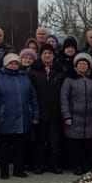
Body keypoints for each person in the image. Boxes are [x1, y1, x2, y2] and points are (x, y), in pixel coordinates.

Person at [0, 53, 39, 180]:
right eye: (11, 63)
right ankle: (4, 171)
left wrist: (35, 114)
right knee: (3, 146)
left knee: (20, 146)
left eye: (16, 63)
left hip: (23, 117)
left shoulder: (24, 77)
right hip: (4, 117)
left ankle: (19, 169)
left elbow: (33, 97)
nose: (14, 65)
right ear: (5, 63)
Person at [61, 53, 92, 175]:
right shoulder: (69, 79)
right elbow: (64, 98)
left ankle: (88, 166)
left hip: (90, 118)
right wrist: (67, 115)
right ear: (76, 65)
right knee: (76, 145)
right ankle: (77, 166)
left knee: (89, 145)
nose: (82, 66)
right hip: (74, 118)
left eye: (85, 64)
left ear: (89, 66)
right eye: (80, 64)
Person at [28, 42, 65, 173]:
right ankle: (39, 165)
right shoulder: (33, 71)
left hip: (55, 112)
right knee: (40, 142)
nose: (48, 56)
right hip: (40, 113)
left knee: (55, 142)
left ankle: (54, 165)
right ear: (40, 55)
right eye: (45, 53)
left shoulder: (60, 71)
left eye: (50, 53)